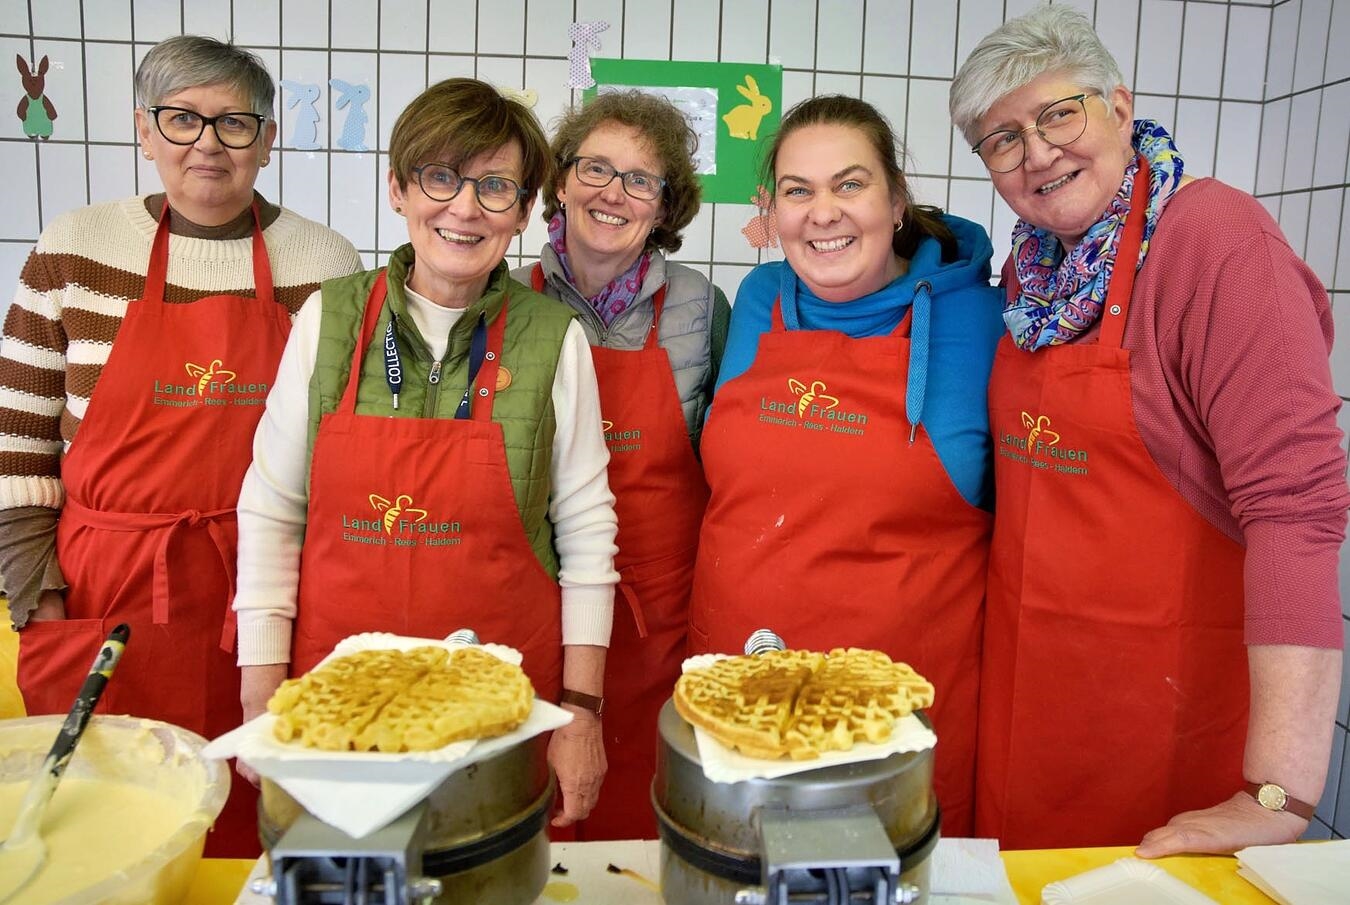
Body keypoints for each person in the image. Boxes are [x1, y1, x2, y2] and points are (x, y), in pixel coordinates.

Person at [950, 4, 1347, 854]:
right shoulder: (1031, 271)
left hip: (1161, 731)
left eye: (1060, 113)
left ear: (1120, 107)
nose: (1039, 152)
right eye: (1003, 138)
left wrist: (1277, 792)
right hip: (1028, 716)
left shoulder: (1215, 240)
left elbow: (1299, 511)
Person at [0, 35, 361, 857]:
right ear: (143, 130)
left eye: (235, 123)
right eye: (183, 119)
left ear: (268, 139)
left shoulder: (327, 263)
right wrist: (41, 605)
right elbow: (16, 444)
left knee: (260, 825)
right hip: (104, 592)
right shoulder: (74, 249)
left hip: (267, 592)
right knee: (107, 829)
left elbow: (343, 447)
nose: (208, 143)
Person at [232, 78, 619, 829]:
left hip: (501, 709)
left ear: (525, 211)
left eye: (496, 186)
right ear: (398, 190)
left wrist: (580, 708)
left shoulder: (554, 338)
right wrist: (260, 691)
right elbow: (272, 509)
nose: (465, 207)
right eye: (441, 177)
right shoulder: (329, 318)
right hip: (336, 702)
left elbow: (588, 534)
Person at [689, 95, 1005, 837]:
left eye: (849, 184)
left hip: (899, 718)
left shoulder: (983, 323)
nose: (822, 212)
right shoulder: (757, 297)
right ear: (773, 210)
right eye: (798, 191)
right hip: (740, 689)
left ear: (896, 200)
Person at [511, 90, 728, 840]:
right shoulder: (508, 302)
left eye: (641, 180)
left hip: (662, 625)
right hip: (543, 619)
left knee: (644, 834)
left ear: (666, 207)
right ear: (559, 183)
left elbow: (723, 460)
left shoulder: (702, 308)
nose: (614, 192)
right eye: (596, 168)